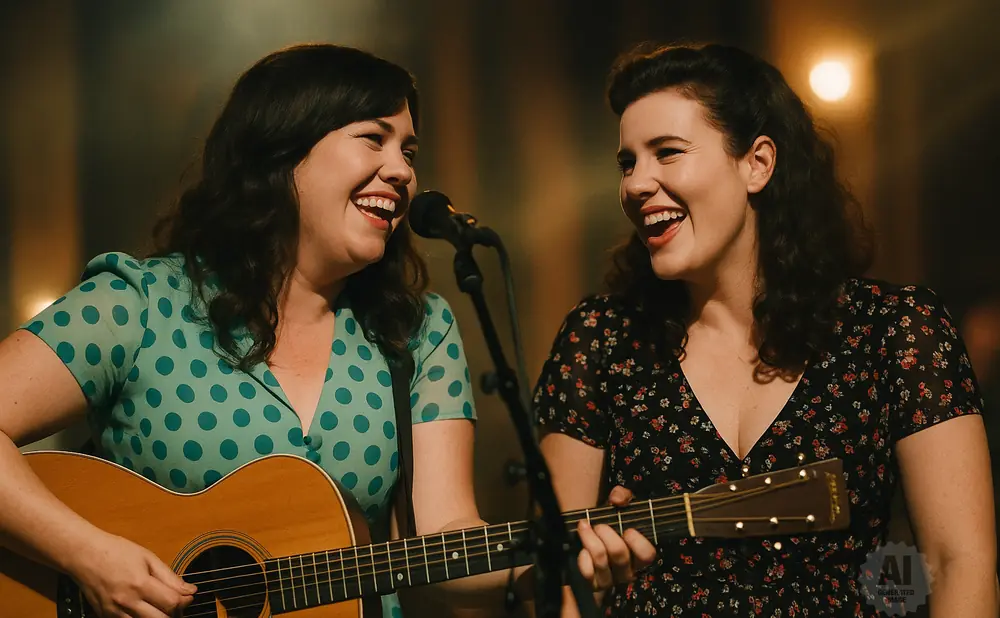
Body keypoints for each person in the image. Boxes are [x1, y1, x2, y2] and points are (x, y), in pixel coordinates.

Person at [0, 43, 655, 618]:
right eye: (373, 139)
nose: (401, 170)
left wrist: (555, 557)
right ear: (282, 153)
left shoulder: (417, 330)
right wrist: (89, 557)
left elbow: (446, 535)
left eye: (409, 150)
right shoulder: (139, 307)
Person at [533, 42, 998, 617]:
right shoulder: (601, 341)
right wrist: (589, 586)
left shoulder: (897, 330)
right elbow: (555, 584)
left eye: (667, 153)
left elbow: (959, 564)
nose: (635, 184)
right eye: (628, 163)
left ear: (757, 163)